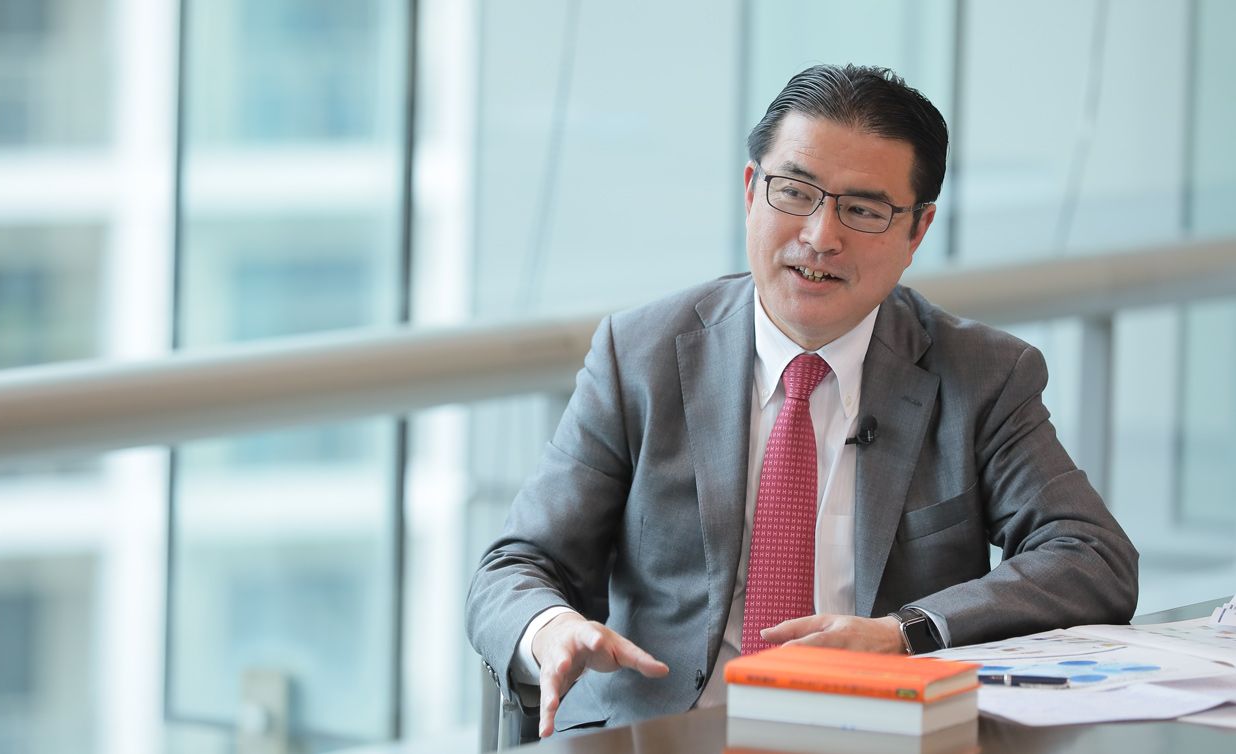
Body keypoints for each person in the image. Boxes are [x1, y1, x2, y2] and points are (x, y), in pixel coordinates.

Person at [465, 63, 1138, 739]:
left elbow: (1091, 556)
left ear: (917, 232)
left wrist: (902, 634)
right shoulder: (640, 355)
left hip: (878, 736)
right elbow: (515, 568)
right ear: (751, 191)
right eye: (794, 192)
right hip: (665, 737)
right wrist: (550, 629)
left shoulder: (982, 375)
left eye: (863, 210)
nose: (820, 236)